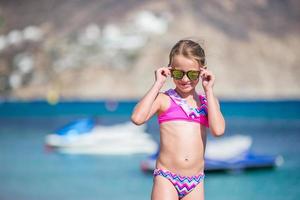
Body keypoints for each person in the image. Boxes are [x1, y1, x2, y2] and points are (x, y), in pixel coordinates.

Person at [131, 39, 225, 200]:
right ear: (170, 71)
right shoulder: (164, 99)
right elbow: (137, 118)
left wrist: (209, 89)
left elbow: (218, 130)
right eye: (178, 73)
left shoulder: (207, 102)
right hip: (167, 178)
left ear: (203, 71)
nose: (185, 79)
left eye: (192, 74)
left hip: (195, 182)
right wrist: (158, 83)